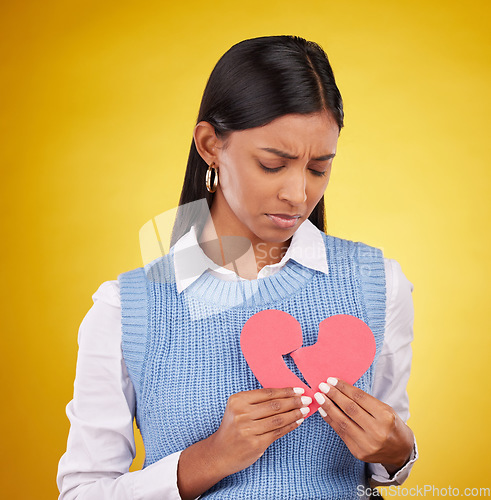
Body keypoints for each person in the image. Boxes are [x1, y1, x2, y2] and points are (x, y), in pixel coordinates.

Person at [57, 35, 418, 499]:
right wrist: (211, 458)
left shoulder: (379, 283)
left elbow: (387, 460)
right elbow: (82, 491)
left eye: (318, 168)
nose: (298, 194)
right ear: (211, 145)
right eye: (273, 164)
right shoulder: (125, 309)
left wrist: (397, 450)